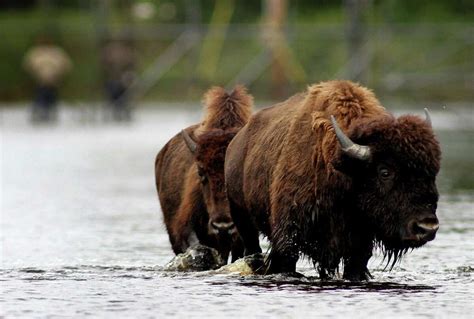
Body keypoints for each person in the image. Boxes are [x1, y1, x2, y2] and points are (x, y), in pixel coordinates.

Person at [23, 37, 72, 122]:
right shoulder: (36, 52)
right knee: (40, 96)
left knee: (51, 96)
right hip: (40, 80)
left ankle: (49, 113)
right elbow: (28, 65)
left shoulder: (56, 52)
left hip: (53, 80)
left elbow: (66, 64)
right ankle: (40, 112)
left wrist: (58, 74)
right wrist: (35, 74)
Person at [101, 38, 136, 121]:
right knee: (112, 88)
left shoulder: (127, 51)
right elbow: (103, 65)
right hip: (112, 79)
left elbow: (132, 64)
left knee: (125, 89)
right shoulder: (107, 51)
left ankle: (124, 109)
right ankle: (116, 109)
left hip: (125, 79)